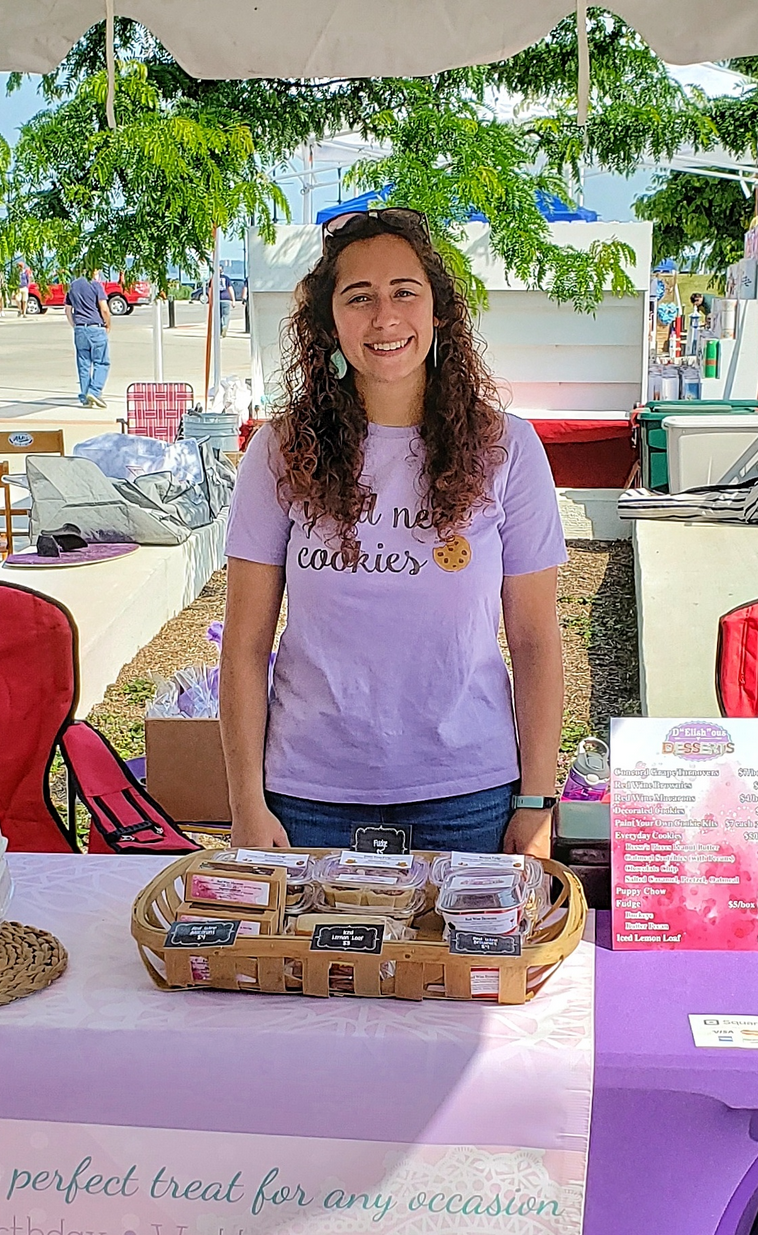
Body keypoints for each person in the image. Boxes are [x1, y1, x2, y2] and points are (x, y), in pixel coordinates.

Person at [219, 208, 565, 856]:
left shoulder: (506, 447)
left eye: (404, 291)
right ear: (328, 324)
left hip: (471, 799)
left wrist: (536, 803)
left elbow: (537, 639)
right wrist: (246, 803)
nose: (384, 317)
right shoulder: (280, 450)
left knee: (465, 964)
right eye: (359, 298)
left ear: (438, 313)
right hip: (308, 801)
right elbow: (243, 645)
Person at [66, 270, 111, 409]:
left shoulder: (72, 286)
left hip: (80, 328)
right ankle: (94, 391)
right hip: (96, 327)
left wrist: (75, 325)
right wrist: (108, 324)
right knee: (101, 362)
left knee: (83, 364)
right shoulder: (96, 285)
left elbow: (68, 310)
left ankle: (86, 397)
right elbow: (104, 309)